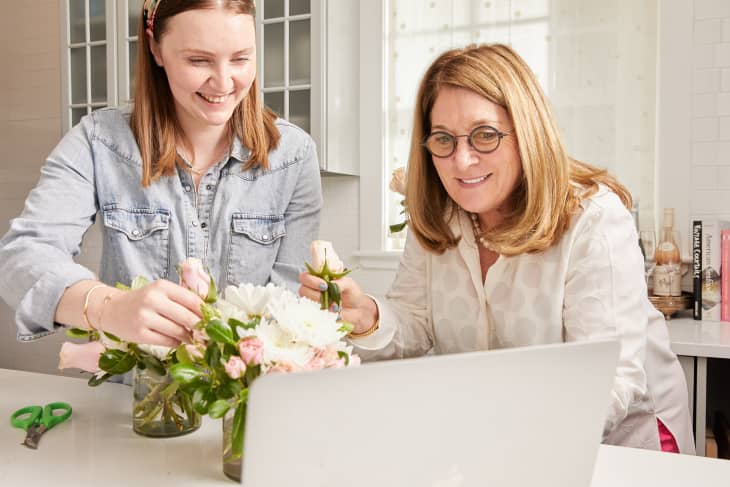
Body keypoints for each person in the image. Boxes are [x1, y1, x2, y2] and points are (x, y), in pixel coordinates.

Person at [299, 44, 694, 453]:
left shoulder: (592, 219)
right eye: (443, 140)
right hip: (500, 444)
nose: (462, 160)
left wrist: (503, 438)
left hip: (623, 442)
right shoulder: (438, 215)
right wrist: (367, 316)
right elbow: (416, 323)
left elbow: (610, 380)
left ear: (527, 132)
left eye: (485, 135)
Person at [0, 0, 322, 349]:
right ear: (156, 49)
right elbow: (22, 257)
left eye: (241, 58)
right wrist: (109, 308)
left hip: (254, 394)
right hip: (135, 395)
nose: (224, 81)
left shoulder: (294, 154)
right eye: (199, 60)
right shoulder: (99, 142)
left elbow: (292, 305)